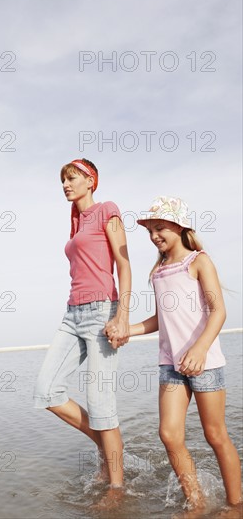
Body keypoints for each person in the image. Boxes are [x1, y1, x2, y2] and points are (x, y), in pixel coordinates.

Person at [113, 196, 241, 515]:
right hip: (171, 364)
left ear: (179, 227)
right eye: (150, 230)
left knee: (215, 435)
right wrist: (127, 328)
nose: (155, 235)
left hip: (205, 362)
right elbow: (160, 320)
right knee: (169, 434)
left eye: (160, 228)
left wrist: (199, 349)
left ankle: (236, 504)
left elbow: (218, 311)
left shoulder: (199, 261)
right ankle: (195, 501)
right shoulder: (158, 272)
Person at [33, 158, 131, 498]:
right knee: (47, 391)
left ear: (91, 180)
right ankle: (106, 443)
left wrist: (123, 316)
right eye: (63, 180)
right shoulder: (74, 222)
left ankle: (116, 488)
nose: (65, 184)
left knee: (101, 401)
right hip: (71, 314)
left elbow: (123, 264)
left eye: (72, 178)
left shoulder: (108, 209)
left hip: (103, 310)